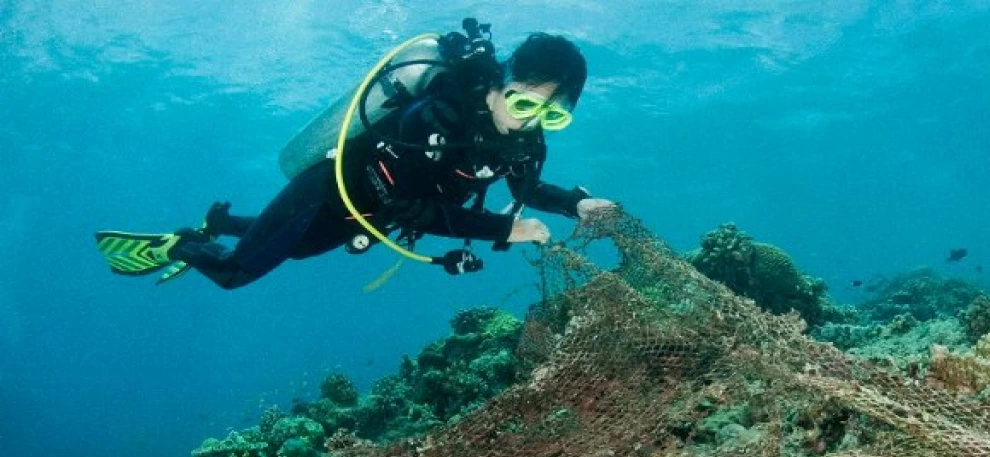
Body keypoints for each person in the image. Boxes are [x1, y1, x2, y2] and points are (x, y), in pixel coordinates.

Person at [95, 21, 615, 287]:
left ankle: (218, 221)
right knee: (235, 274)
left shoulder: (525, 138)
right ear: (498, 85)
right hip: (331, 189)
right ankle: (181, 245)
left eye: (552, 116)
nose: (529, 122)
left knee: (295, 249)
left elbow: (527, 188)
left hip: (365, 217)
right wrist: (502, 229)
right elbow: (406, 206)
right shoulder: (434, 118)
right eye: (523, 103)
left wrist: (575, 204)